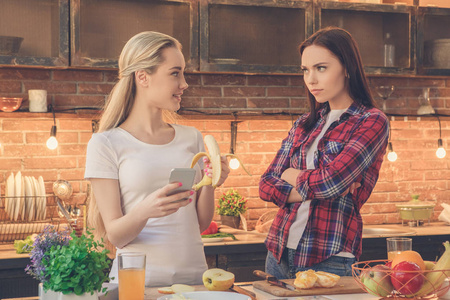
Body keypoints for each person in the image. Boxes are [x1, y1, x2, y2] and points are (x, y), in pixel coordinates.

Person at [84, 31, 230, 287]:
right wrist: (146, 209)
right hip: (138, 284)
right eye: (175, 73)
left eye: (183, 73)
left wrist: (211, 182)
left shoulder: (192, 138)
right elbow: (116, 236)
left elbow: (199, 223)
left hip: (194, 281)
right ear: (143, 77)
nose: (184, 83)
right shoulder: (106, 143)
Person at [259, 27, 389, 279]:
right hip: (278, 253)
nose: (311, 80)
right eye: (305, 70)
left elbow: (331, 182)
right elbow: (265, 184)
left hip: (329, 258)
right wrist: (313, 186)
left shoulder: (371, 121)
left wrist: (289, 173)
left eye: (321, 68)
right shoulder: (304, 123)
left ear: (347, 68)